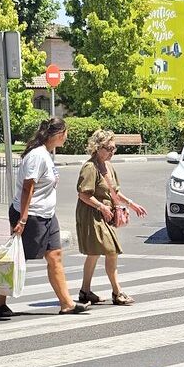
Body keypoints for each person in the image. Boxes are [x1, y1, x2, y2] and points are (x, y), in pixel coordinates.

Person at [0, 117, 88, 317]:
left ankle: (66, 303)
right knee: (16, 258)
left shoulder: (46, 154)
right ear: (59, 134)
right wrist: (23, 219)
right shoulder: (37, 156)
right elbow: (28, 187)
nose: (67, 137)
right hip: (31, 215)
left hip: (47, 215)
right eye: (66, 133)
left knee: (55, 256)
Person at [75, 129, 147, 305]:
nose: (112, 152)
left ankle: (85, 291)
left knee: (94, 253)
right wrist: (101, 206)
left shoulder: (108, 166)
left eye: (114, 148)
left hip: (105, 214)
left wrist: (131, 204)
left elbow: (115, 192)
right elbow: (83, 194)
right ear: (98, 147)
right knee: (111, 251)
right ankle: (117, 292)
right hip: (92, 214)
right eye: (109, 148)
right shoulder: (90, 167)